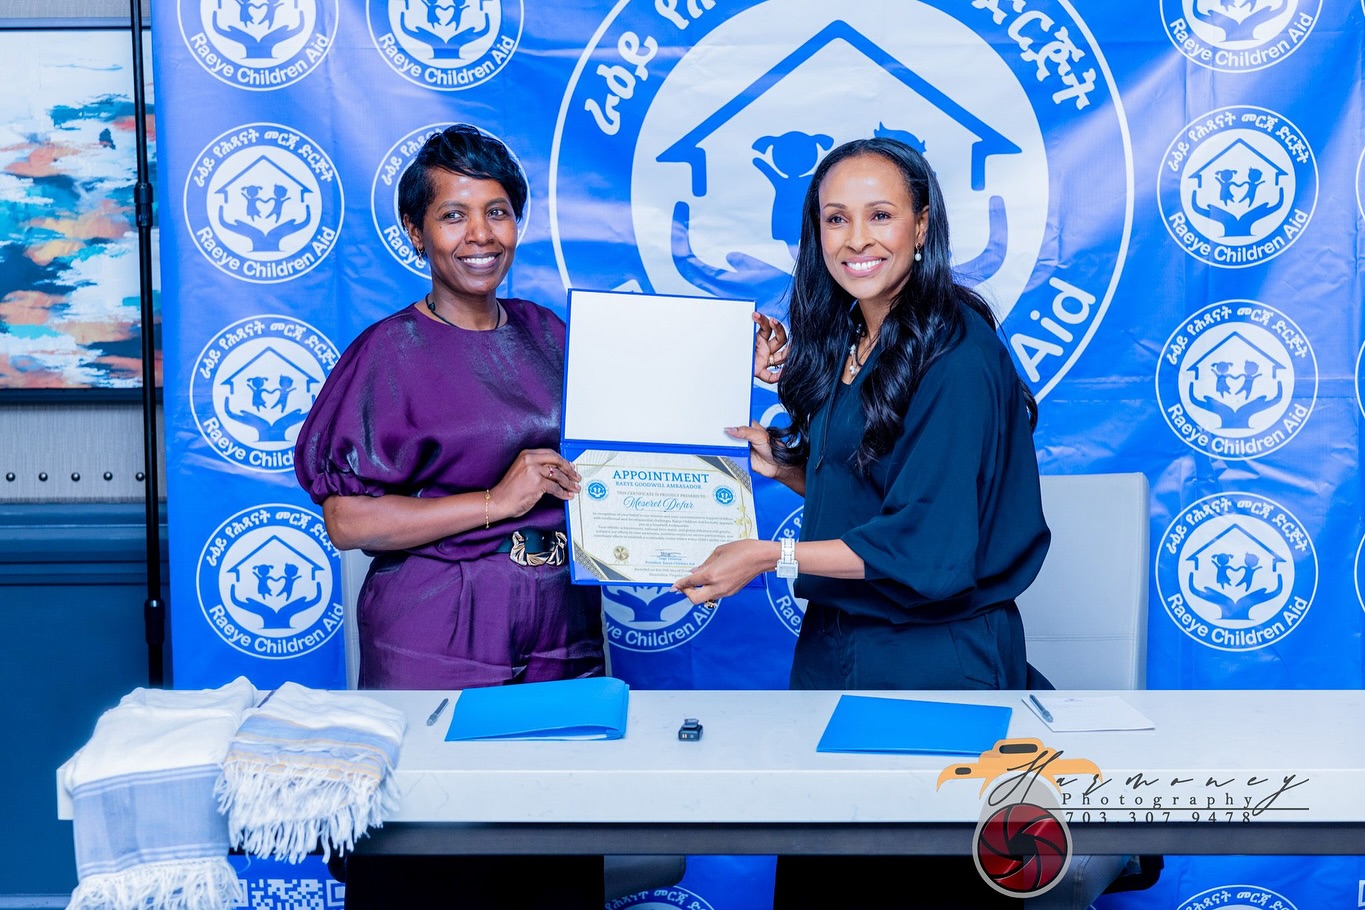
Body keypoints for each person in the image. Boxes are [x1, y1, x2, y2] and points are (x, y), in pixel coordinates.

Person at [672, 137, 1052, 908]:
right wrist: (786, 466)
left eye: (880, 215)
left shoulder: (957, 353)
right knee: (821, 879)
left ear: (921, 225)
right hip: (836, 651)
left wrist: (765, 557)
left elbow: (930, 544)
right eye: (834, 219)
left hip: (933, 670)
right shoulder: (856, 333)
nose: (856, 240)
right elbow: (883, 487)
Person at [294, 124, 605, 908]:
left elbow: (627, 442)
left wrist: (740, 365)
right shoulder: (388, 351)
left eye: (497, 212)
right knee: (433, 855)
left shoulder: (548, 334)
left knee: (553, 845)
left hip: (560, 618)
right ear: (415, 232)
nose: (480, 236)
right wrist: (494, 502)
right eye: (454, 215)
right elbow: (348, 522)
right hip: (438, 622)